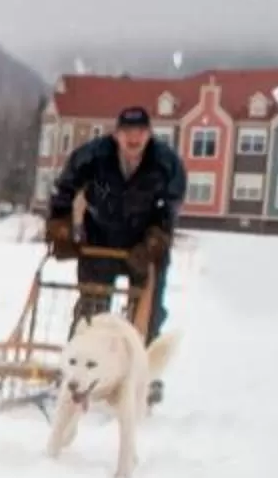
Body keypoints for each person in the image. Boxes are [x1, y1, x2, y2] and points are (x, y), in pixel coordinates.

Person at [44, 104, 182, 336]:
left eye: (140, 132)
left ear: (149, 134)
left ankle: (141, 350)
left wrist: (154, 243)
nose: (133, 139)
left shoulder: (166, 163)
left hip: (144, 243)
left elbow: (169, 208)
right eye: (127, 132)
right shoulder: (93, 155)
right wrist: (61, 226)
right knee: (92, 315)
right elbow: (64, 190)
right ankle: (85, 351)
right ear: (116, 134)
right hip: (101, 238)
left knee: (146, 316)